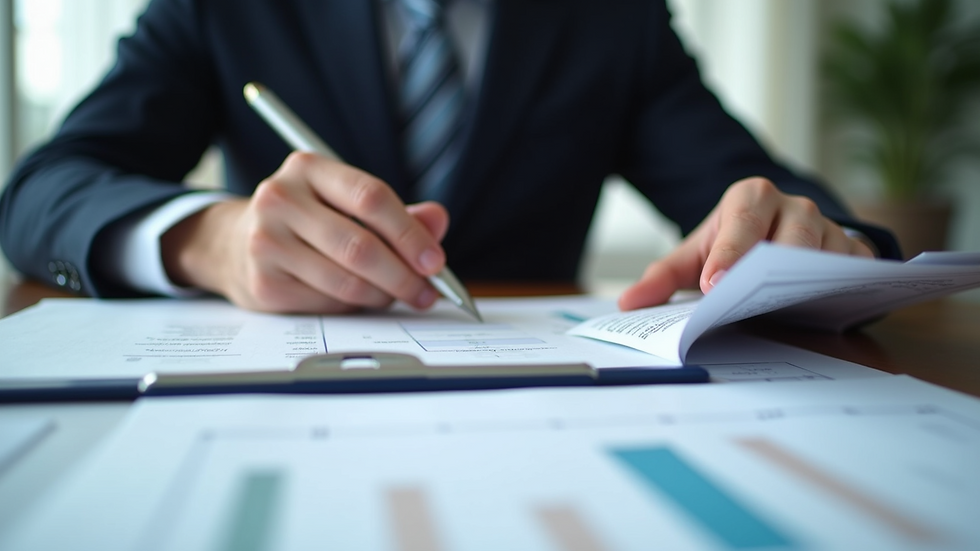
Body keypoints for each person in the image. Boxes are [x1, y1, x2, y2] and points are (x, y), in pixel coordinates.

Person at [0, 0, 899, 316]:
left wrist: (820, 248)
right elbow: (42, 192)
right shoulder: (222, 6)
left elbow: (778, 200)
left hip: (541, 416)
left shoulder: (610, 19)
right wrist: (211, 241)